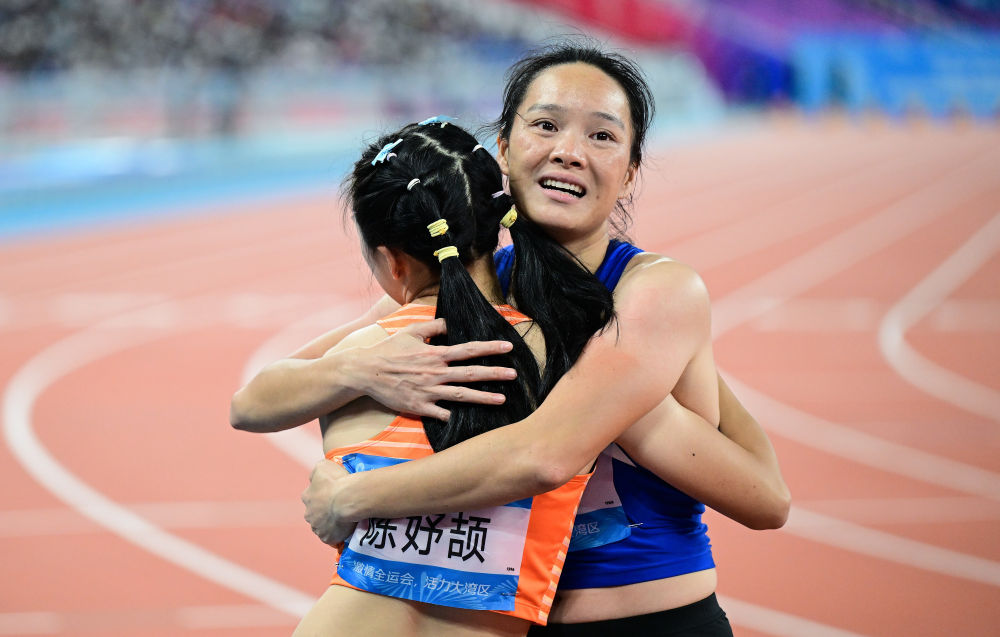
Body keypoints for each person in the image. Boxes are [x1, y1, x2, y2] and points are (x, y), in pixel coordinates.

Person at [233, 43, 790, 636]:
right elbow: (253, 401)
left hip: (647, 623)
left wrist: (351, 497)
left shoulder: (655, 293)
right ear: (503, 148)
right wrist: (358, 370)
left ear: (630, 171)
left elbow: (547, 455)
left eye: (602, 136)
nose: (569, 151)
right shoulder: (464, 283)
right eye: (546, 125)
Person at [264, 118, 621, 636]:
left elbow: (248, 405)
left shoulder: (363, 355)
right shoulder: (574, 352)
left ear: (392, 262)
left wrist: (352, 371)